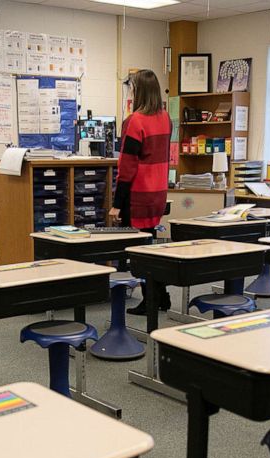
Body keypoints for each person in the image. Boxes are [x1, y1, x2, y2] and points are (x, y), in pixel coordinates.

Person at [109, 69, 172, 314]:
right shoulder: (166, 118)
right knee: (151, 247)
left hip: (137, 195)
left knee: (139, 252)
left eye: (132, 88)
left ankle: (151, 300)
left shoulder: (134, 121)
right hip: (157, 194)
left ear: (138, 91)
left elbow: (127, 167)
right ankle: (161, 296)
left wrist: (116, 203)